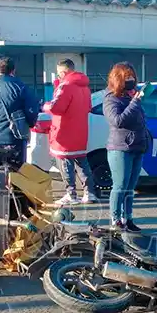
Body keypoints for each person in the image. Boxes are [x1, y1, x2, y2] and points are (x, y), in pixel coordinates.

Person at [43, 59, 97, 205]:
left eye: (59, 73)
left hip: (64, 132)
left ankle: (71, 194)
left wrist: (45, 106)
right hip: (80, 130)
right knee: (82, 162)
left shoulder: (66, 86)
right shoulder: (85, 87)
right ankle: (89, 193)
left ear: (63, 72)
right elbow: (88, 107)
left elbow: (55, 107)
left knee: (65, 163)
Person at [102, 62, 149, 231]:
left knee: (130, 187)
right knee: (120, 185)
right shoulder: (111, 98)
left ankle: (127, 218)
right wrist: (135, 102)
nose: (131, 80)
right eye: (127, 77)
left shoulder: (131, 96)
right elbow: (117, 121)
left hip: (136, 146)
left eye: (132, 77)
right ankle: (115, 220)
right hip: (120, 147)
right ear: (118, 78)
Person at [0, 57, 40, 166]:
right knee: (17, 171)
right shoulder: (19, 86)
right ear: (13, 70)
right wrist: (29, 124)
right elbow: (32, 109)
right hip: (14, 138)